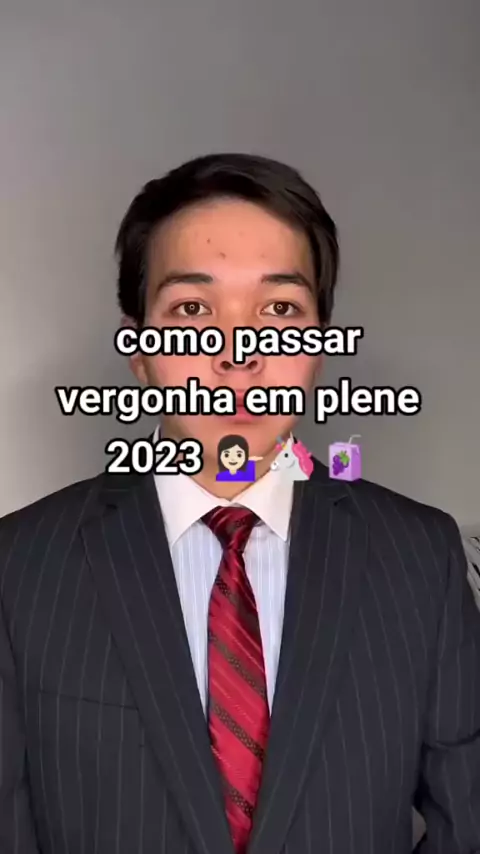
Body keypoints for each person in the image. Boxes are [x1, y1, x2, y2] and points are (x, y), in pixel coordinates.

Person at [0, 152, 479, 854]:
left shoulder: (420, 559)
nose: (238, 353)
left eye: (279, 309)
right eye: (192, 309)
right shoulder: (19, 566)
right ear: (138, 348)